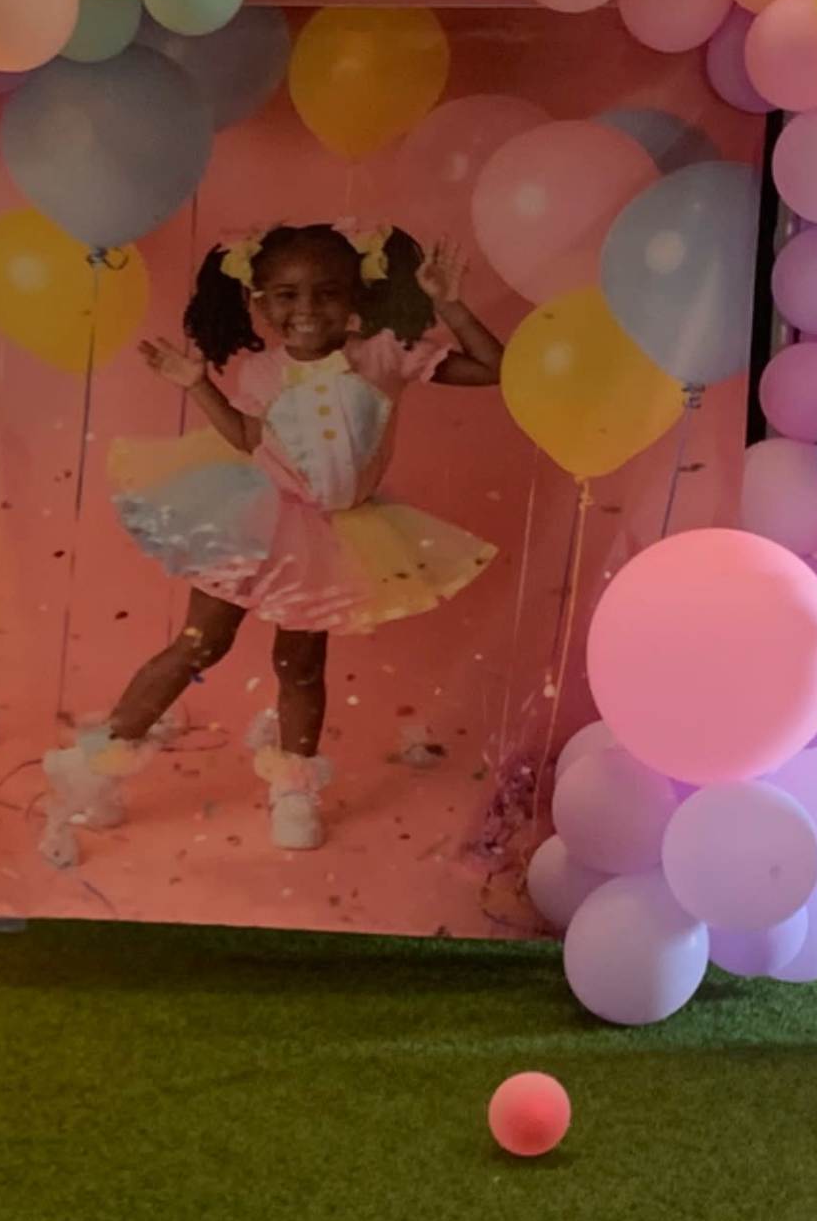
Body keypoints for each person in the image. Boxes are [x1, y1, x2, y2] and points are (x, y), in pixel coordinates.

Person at [44, 221, 502, 857]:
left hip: (333, 535)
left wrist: (447, 303)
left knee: (300, 663)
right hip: (256, 517)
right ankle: (96, 767)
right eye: (286, 295)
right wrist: (197, 383)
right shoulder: (263, 370)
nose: (307, 309)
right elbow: (246, 437)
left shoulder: (386, 353)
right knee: (201, 643)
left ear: (357, 295)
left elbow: (493, 368)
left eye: (327, 292)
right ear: (260, 303)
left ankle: (294, 790)